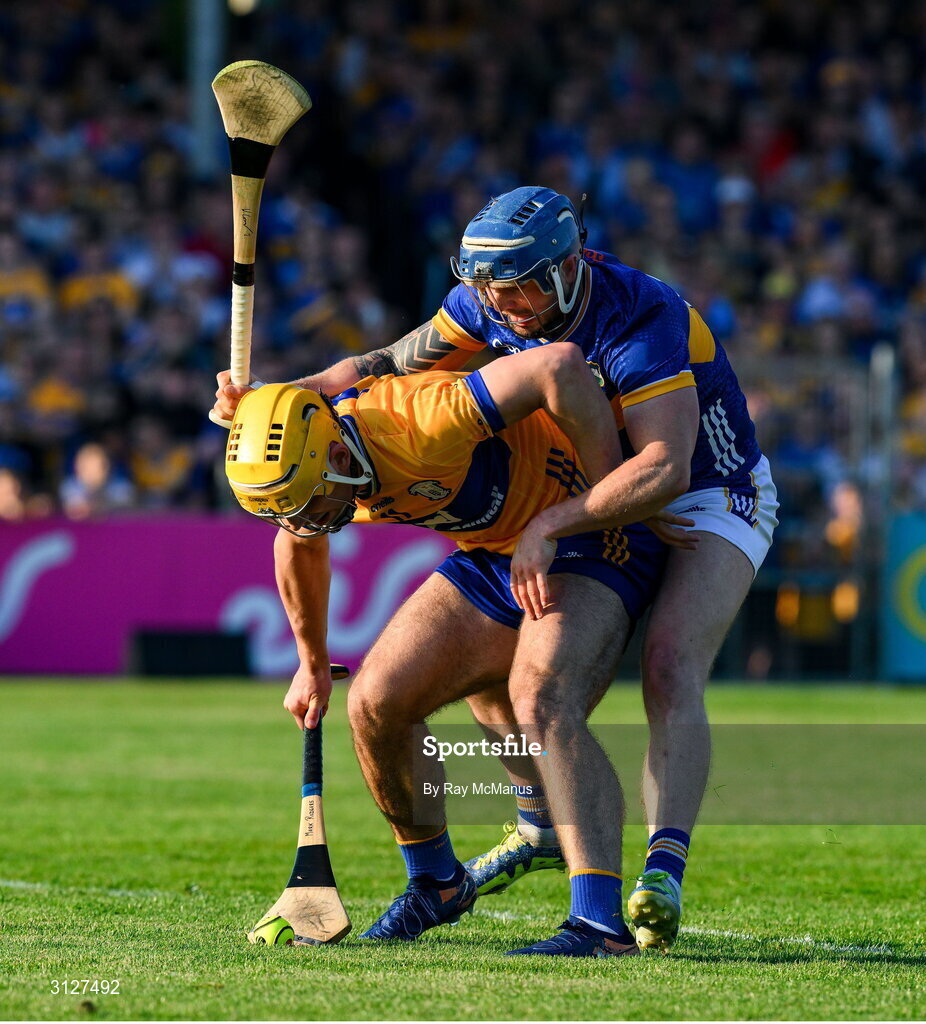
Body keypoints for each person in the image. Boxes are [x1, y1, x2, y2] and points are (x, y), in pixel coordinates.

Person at [213, 185, 778, 953]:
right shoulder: (349, 439)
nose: (505, 305)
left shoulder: (637, 317)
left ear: (569, 265)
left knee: (648, 669)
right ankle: (437, 882)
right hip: (527, 523)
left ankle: (624, 899)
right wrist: (283, 400)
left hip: (699, 487)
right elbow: (373, 371)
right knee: (376, 702)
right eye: (491, 288)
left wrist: (573, 512)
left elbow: (639, 443)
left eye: (522, 285)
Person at [225, 346, 687, 958]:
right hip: (498, 552)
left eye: (309, 501)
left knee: (542, 700)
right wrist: (311, 661)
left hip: (593, 535)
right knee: (375, 703)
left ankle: (598, 924)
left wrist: (595, 498)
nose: (305, 519)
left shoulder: (421, 421)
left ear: (338, 454)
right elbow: (298, 543)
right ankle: (436, 882)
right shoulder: (321, 465)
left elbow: (558, 367)